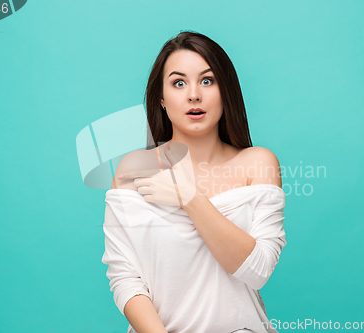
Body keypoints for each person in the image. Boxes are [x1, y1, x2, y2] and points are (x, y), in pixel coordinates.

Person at [102, 30, 287, 333]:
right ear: (161, 98)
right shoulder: (134, 169)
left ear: (225, 91)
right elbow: (125, 277)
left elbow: (258, 271)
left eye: (207, 80)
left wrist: (189, 197)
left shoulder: (258, 163)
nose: (193, 95)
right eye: (178, 83)